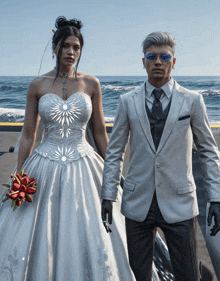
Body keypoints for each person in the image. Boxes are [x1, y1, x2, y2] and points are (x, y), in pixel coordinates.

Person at [0, 16, 138, 280]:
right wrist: (19, 174)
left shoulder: (92, 84)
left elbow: (99, 133)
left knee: (91, 229)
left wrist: (112, 172)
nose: (72, 52)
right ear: (54, 47)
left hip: (84, 163)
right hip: (43, 164)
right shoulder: (37, 85)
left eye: (76, 47)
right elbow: (28, 135)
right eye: (66, 46)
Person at [101, 31, 220, 281]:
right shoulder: (126, 102)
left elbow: (209, 151)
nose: (158, 62)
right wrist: (108, 195)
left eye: (165, 56)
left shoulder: (192, 101)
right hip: (137, 202)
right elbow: (114, 152)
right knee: (138, 275)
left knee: (187, 274)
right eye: (151, 56)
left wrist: (216, 198)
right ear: (143, 61)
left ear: (173, 62)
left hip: (180, 203)